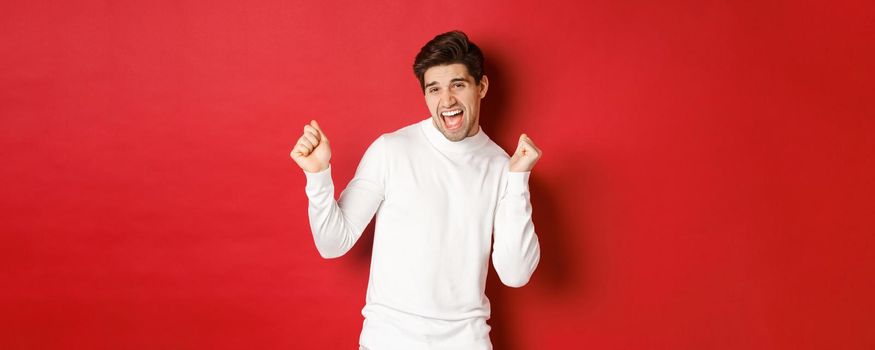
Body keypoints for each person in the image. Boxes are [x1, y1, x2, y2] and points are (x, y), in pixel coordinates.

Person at [290, 30, 542, 350]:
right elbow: (332, 244)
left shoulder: (502, 167)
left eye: (458, 85)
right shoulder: (391, 150)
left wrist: (519, 180)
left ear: (482, 87)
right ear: (425, 94)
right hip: (388, 341)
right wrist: (318, 176)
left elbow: (516, 274)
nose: (447, 100)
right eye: (434, 89)